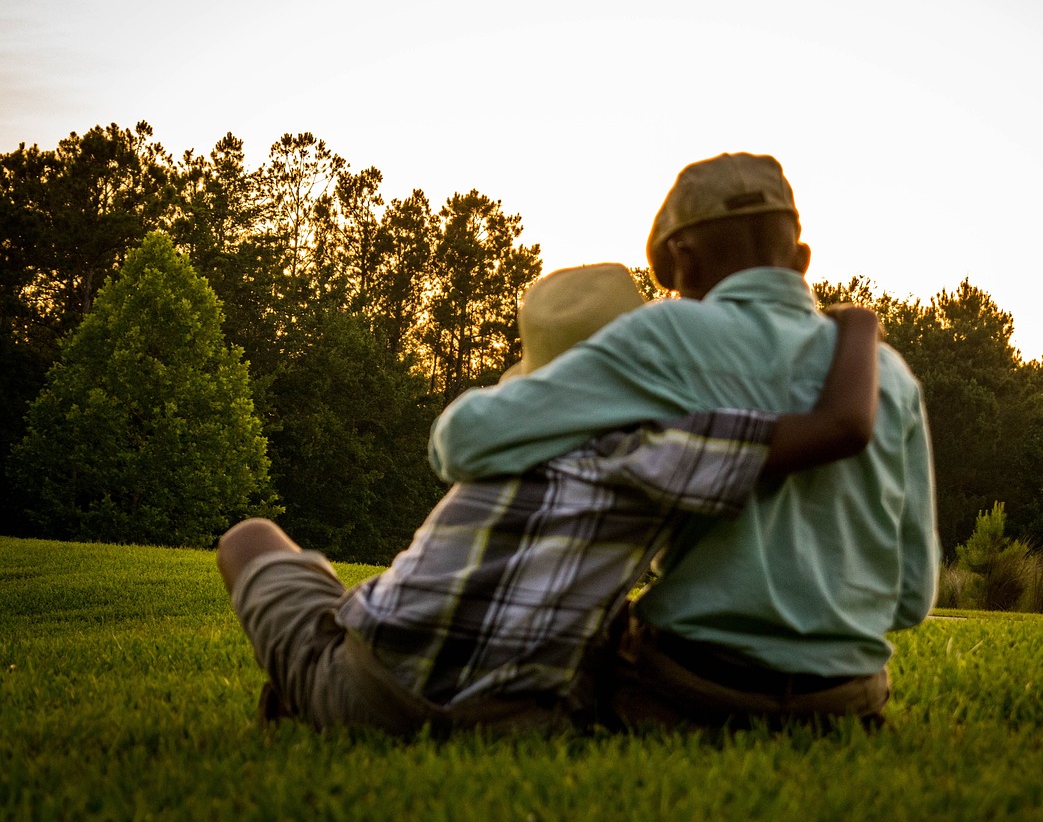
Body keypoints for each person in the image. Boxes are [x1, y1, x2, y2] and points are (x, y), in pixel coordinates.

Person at [217, 262, 882, 737]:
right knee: (605, 622)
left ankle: (308, 680)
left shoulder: (504, 440)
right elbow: (841, 426)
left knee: (248, 538)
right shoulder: (663, 447)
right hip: (515, 721)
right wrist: (856, 325)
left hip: (366, 687)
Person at [430, 153, 939, 731]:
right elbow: (910, 597)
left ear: (683, 258)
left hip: (689, 693)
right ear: (800, 260)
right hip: (847, 703)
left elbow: (461, 441)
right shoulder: (889, 376)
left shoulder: (667, 335)